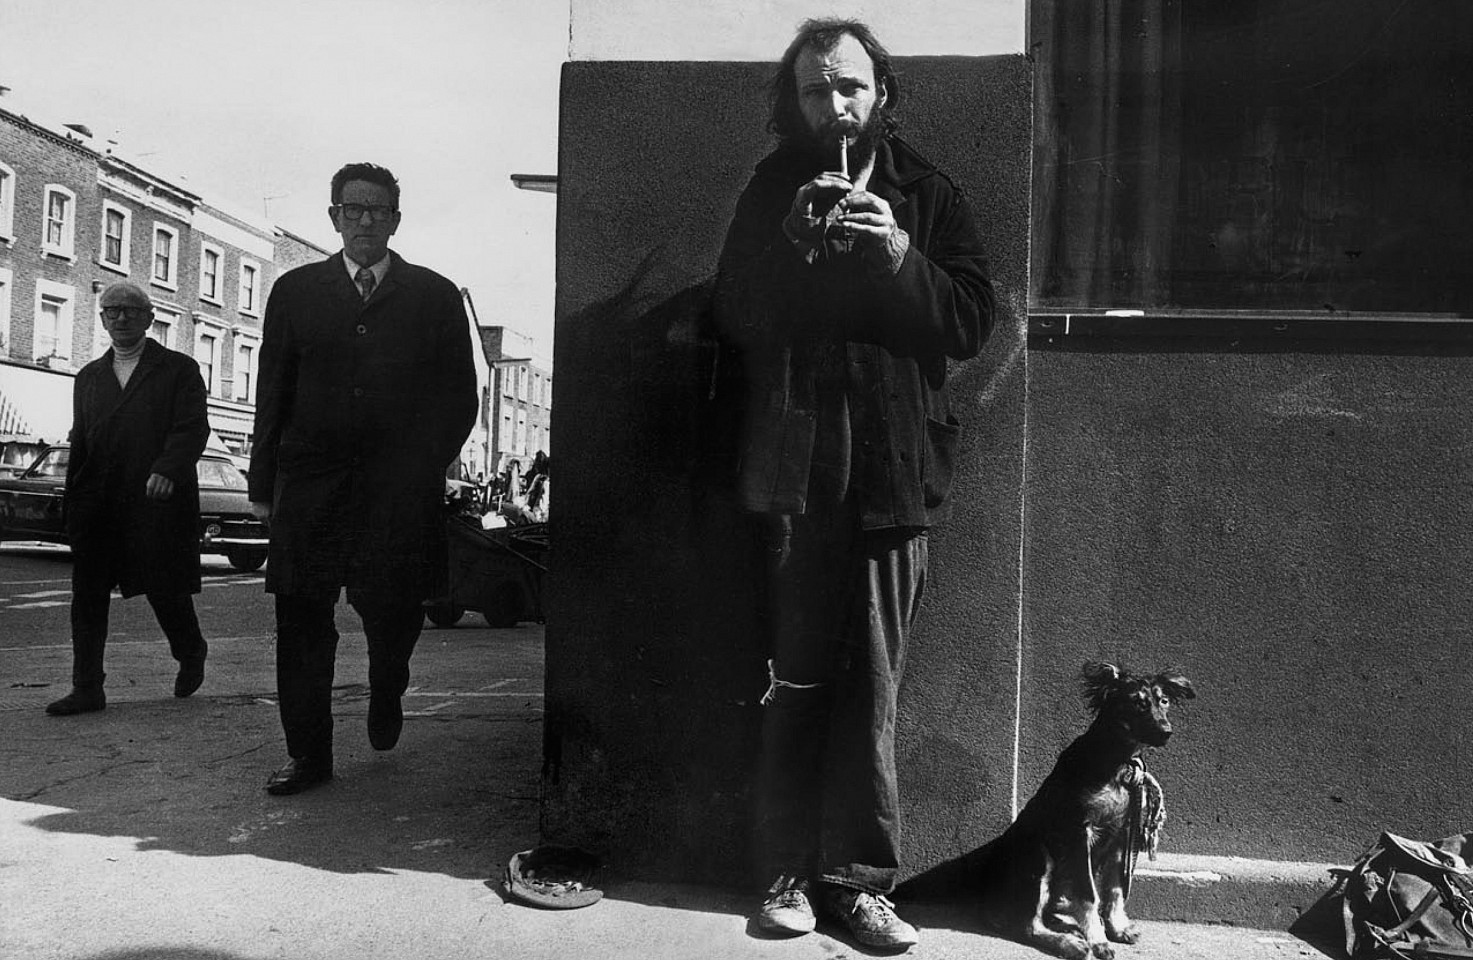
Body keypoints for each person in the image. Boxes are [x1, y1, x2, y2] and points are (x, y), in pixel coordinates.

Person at [712, 19, 995, 950]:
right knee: (794, 678)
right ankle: (786, 876)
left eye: (849, 90)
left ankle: (861, 882)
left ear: (881, 94)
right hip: (799, 470)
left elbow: (966, 323)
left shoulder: (927, 191)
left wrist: (897, 259)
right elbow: (732, 317)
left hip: (891, 471)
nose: (833, 108)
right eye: (813, 92)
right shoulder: (769, 189)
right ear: (790, 103)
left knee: (873, 686)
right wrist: (789, 244)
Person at [248, 162, 477, 795]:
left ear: (396, 220)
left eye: (378, 210)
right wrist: (263, 483)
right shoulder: (295, 293)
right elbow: (274, 389)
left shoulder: (434, 296)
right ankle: (309, 758)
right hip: (311, 488)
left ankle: (387, 685)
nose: (366, 220)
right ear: (334, 218)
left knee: (393, 614)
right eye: (354, 210)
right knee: (300, 623)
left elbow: (460, 397)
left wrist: (418, 468)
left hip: (394, 495)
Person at [45, 282, 211, 716]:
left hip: (154, 500)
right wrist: (73, 501)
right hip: (99, 502)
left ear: (150, 319)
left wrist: (167, 469)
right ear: (101, 319)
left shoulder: (178, 369)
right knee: (88, 596)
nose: (121, 318)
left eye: (131, 312)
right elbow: (81, 439)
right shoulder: (89, 377)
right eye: (112, 311)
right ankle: (87, 687)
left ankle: (191, 650)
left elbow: (192, 428)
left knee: (165, 589)